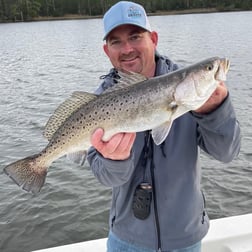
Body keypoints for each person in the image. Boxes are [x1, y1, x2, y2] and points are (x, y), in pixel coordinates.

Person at [87, 1, 241, 252]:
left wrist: (216, 111)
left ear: (154, 39)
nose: (127, 49)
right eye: (116, 41)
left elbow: (227, 153)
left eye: (135, 36)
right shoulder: (99, 103)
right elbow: (104, 177)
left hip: (185, 238)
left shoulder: (192, 90)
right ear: (107, 51)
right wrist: (115, 160)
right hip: (126, 239)